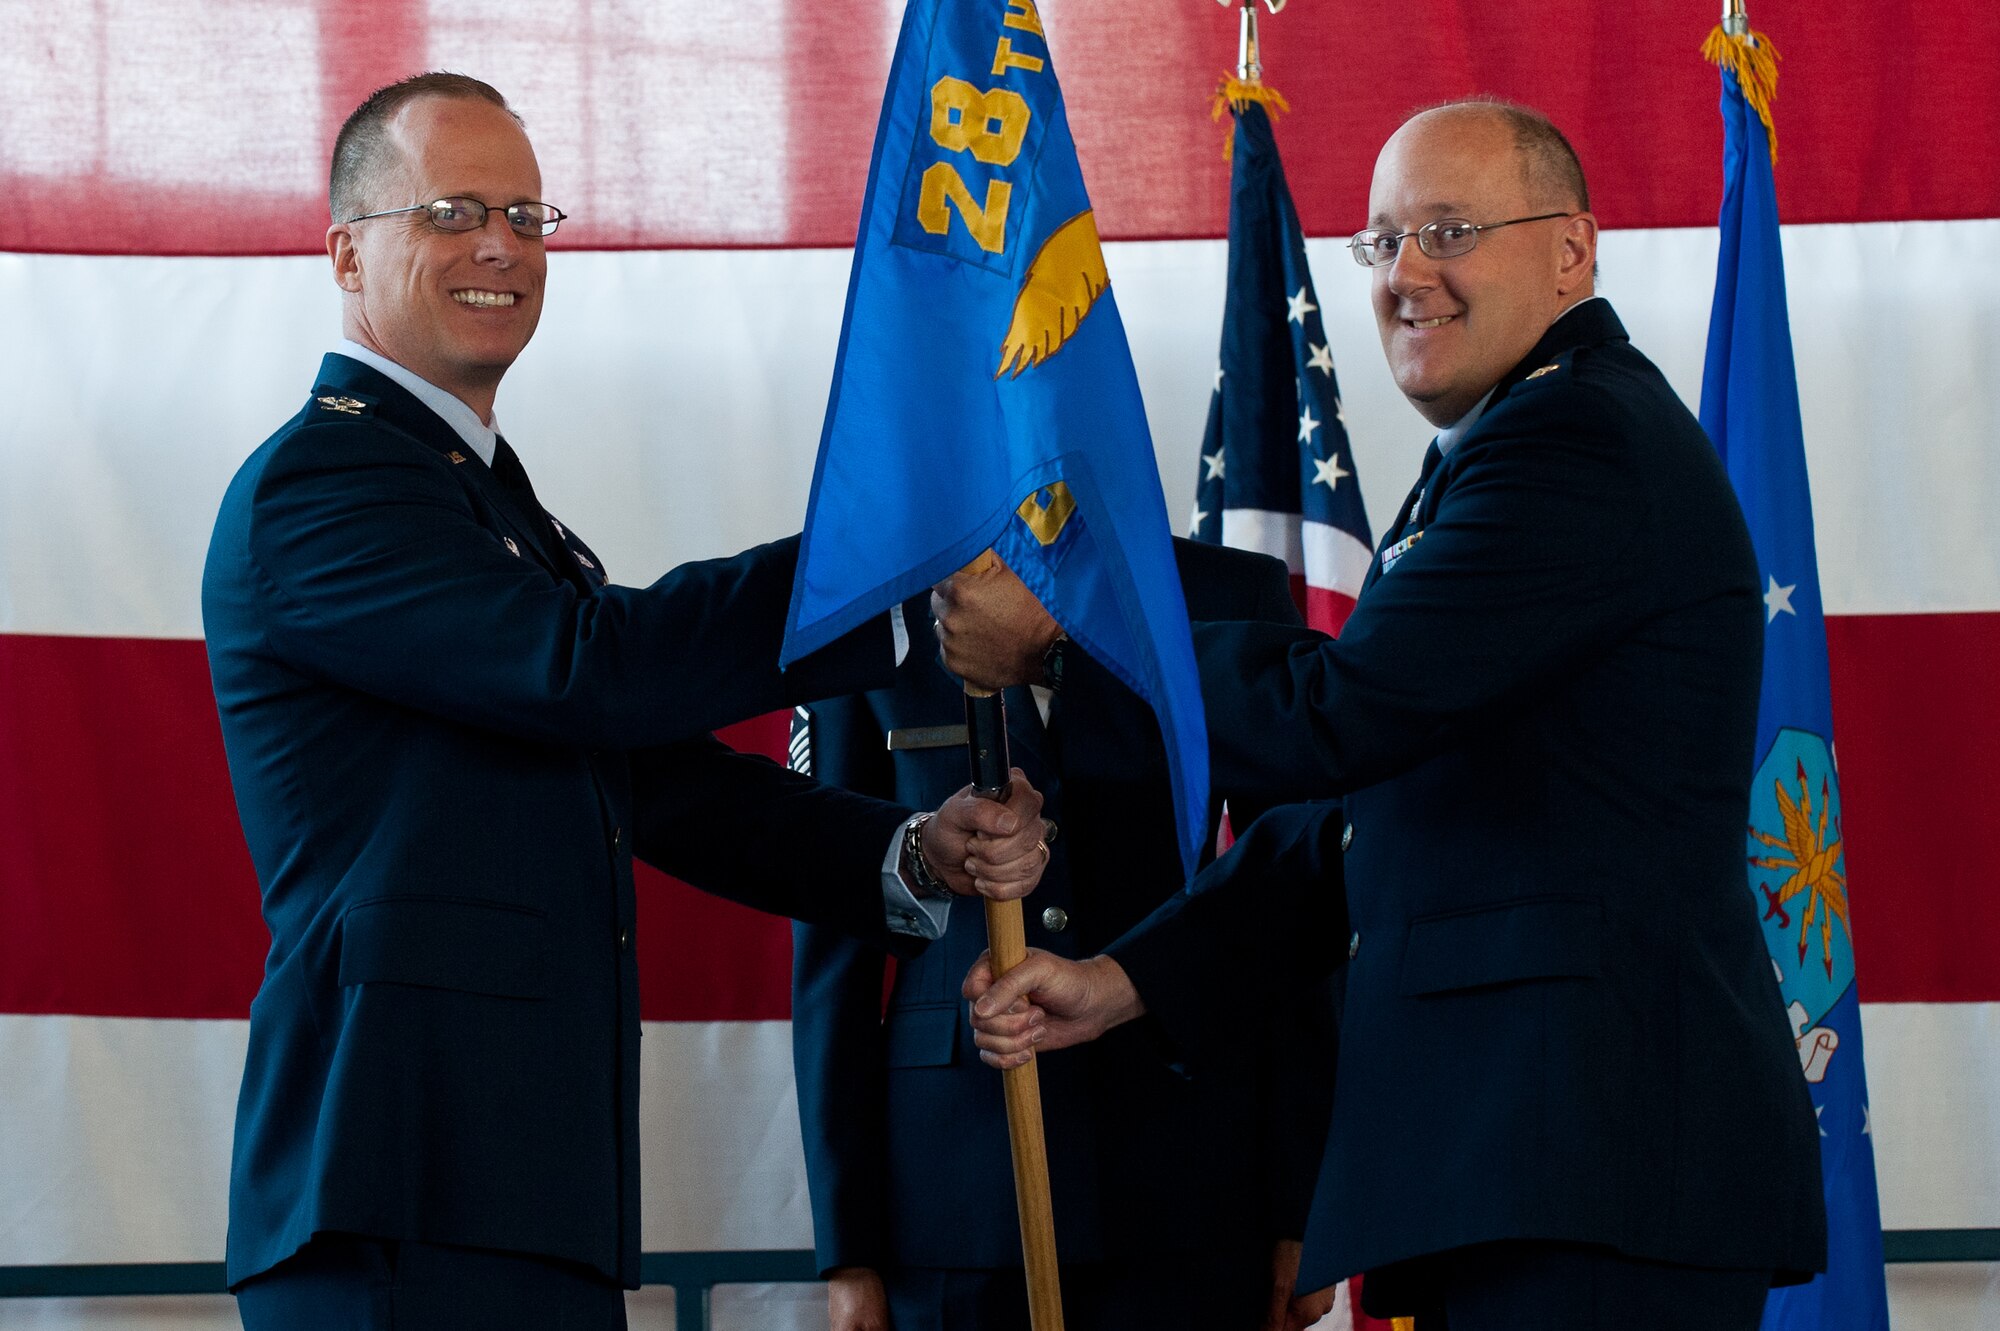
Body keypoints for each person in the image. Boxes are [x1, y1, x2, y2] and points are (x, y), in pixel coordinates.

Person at [947, 99, 1827, 1330]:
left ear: (1571, 249)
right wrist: (1124, 975)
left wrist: (1065, 637)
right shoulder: (1508, 438)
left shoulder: (1574, 440)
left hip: (1589, 1162)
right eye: (1381, 242)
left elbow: (1338, 714)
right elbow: (1373, 816)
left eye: (1449, 230)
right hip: (1529, 1161)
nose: (1406, 273)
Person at [202, 73, 1047, 1331]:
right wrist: (890, 579)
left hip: (522, 1194)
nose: (499, 244)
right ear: (345, 251)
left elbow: (654, 776)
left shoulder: (484, 501)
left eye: (528, 216)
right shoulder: (323, 483)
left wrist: (904, 848)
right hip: (394, 1190)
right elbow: (587, 667)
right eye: (452, 211)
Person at [791, 538, 1339, 1331]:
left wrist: (1300, 1204)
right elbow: (835, 935)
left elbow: (1297, 900)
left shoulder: (1222, 589)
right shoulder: (874, 601)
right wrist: (850, 1248)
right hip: (955, 1195)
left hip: (1191, 1182)